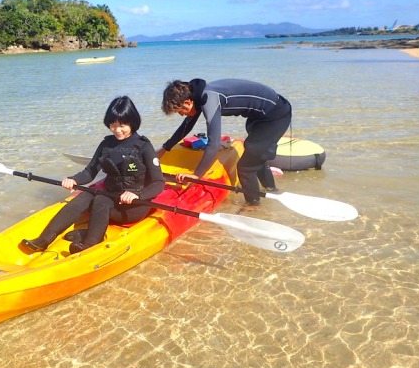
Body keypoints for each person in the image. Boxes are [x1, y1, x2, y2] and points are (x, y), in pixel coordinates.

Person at [21, 96, 165, 254]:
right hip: (112, 196)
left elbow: (158, 183)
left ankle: (90, 243)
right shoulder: (107, 144)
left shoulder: (144, 146)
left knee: (101, 199)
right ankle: (44, 239)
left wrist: (136, 194)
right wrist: (73, 179)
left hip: (133, 206)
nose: (117, 130)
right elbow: (90, 171)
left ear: (132, 122)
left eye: (122, 125)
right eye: (113, 125)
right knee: (84, 195)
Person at [158, 78, 292, 206]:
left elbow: (214, 144)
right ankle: (272, 190)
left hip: (276, 115)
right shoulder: (197, 95)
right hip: (258, 116)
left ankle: (254, 205)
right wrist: (164, 149)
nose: (182, 114)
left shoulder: (209, 99)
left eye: (180, 111)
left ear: (188, 102)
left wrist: (196, 175)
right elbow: (186, 127)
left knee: (246, 168)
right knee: (255, 154)